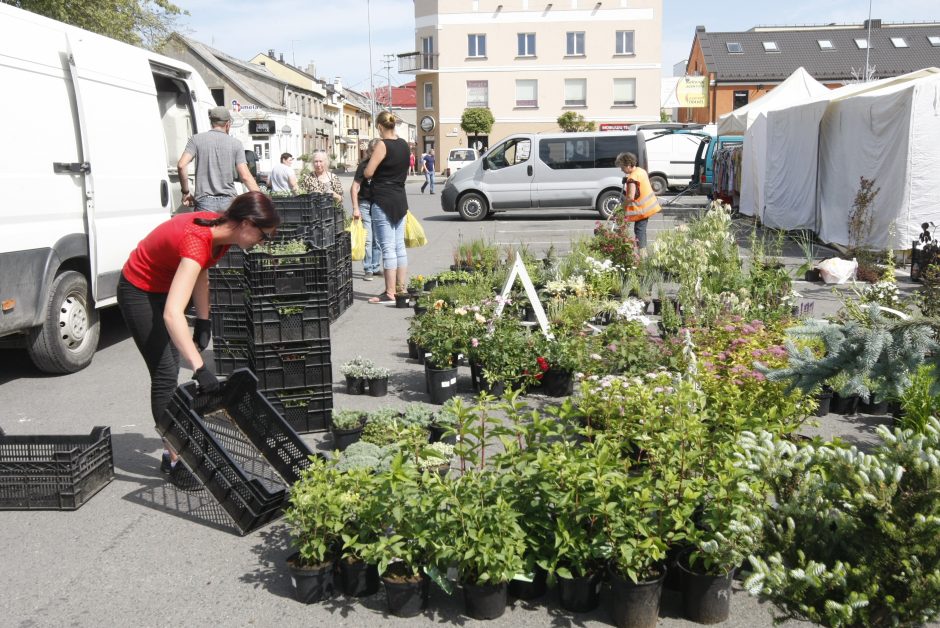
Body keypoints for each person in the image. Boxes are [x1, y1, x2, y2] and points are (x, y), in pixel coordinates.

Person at [117, 191, 279, 489]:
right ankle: (175, 459)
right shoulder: (198, 239)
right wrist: (199, 367)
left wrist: (204, 319)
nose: (262, 243)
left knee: (169, 366)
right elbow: (172, 315)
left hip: (164, 285)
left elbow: (201, 274)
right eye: (263, 236)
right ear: (246, 223)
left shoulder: (219, 234)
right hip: (138, 289)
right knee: (166, 372)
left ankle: (177, 450)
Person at [364, 111, 410, 303]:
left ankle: (389, 292)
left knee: (387, 247)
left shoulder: (383, 145)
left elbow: (368, 172)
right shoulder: (404, 145)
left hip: (383, 198)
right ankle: (401, 289)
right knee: (399, 246)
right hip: (400, 197)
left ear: (380, 127)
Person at [177, 106, 259, 212]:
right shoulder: (236, 144)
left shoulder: (196, 140)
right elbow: (245, 176)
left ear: (211, 122)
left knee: (205, 229)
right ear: (228, 124)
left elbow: (181, 165)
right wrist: (261, 198)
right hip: (228, 203)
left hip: (204, 203)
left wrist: (185, 192)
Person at [615, 152, 662, 251]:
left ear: (628, 165)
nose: (621, 169)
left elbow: (630, 197)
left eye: (622, 167)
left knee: (639, 231)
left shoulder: (632, 178)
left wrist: (621, 207)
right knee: (641, 230)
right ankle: (642, 253)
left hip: (642, 210)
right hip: (649, 207)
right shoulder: (641, 171)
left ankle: (642, 255)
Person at [351, 139, 383, 280]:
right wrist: (355, 208)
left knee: (378, 239)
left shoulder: (383, 166)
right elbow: (354, 188)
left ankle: (376, 266)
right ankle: (368, 268)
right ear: (370, 151)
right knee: (368, 239)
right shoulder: (363, 166)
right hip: (364, 203)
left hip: (379, 204)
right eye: (374, 151)